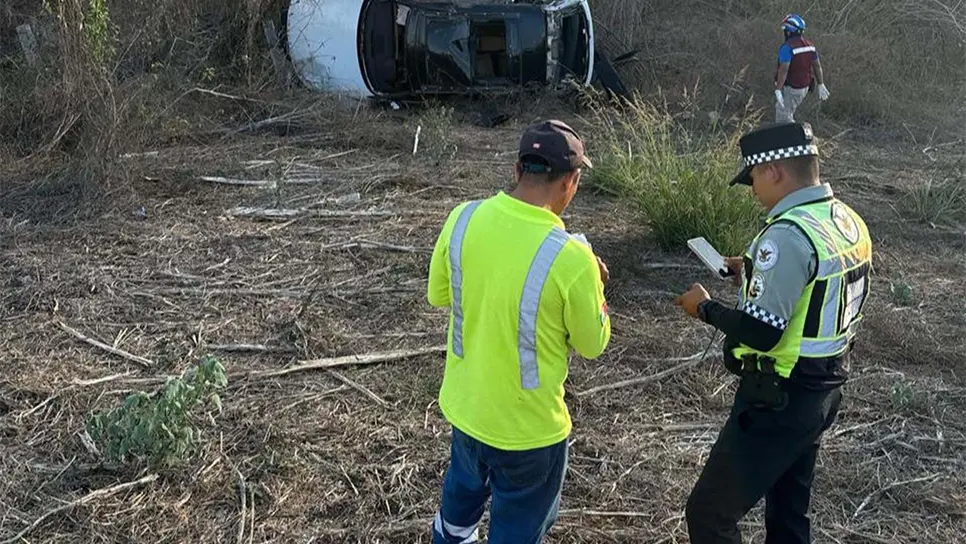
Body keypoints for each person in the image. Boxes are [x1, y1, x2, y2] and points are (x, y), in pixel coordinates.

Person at [674, 121, 873, 544]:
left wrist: (704, 308)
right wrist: (751, 271)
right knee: (788, 514)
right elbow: (817, 284)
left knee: (709, 515)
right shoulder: (843, 221)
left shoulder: (786, 235)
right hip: (822, 392)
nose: (752, 190)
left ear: (775, 171)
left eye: (753, 178)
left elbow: (762, 333)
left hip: (775, 399)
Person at [426, 119, 612, 544]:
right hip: (530, 432)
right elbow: (592, 343)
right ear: (571, 181)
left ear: (516, 170)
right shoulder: (572, 257)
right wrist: (597, 286)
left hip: (467, 411)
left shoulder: (462, 217)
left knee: (456, 519)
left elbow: (439, 295)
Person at [774, 14, 830, 123]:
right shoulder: (809, 45)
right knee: (787, 111)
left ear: (789, 31)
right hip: (804, 86)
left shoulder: (787, 48)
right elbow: (817, 66)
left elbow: (783, 70)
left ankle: (789, 138)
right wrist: (820, 84)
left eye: (785, 29)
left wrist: (778, 89)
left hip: (793, 87)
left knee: (783, 115)